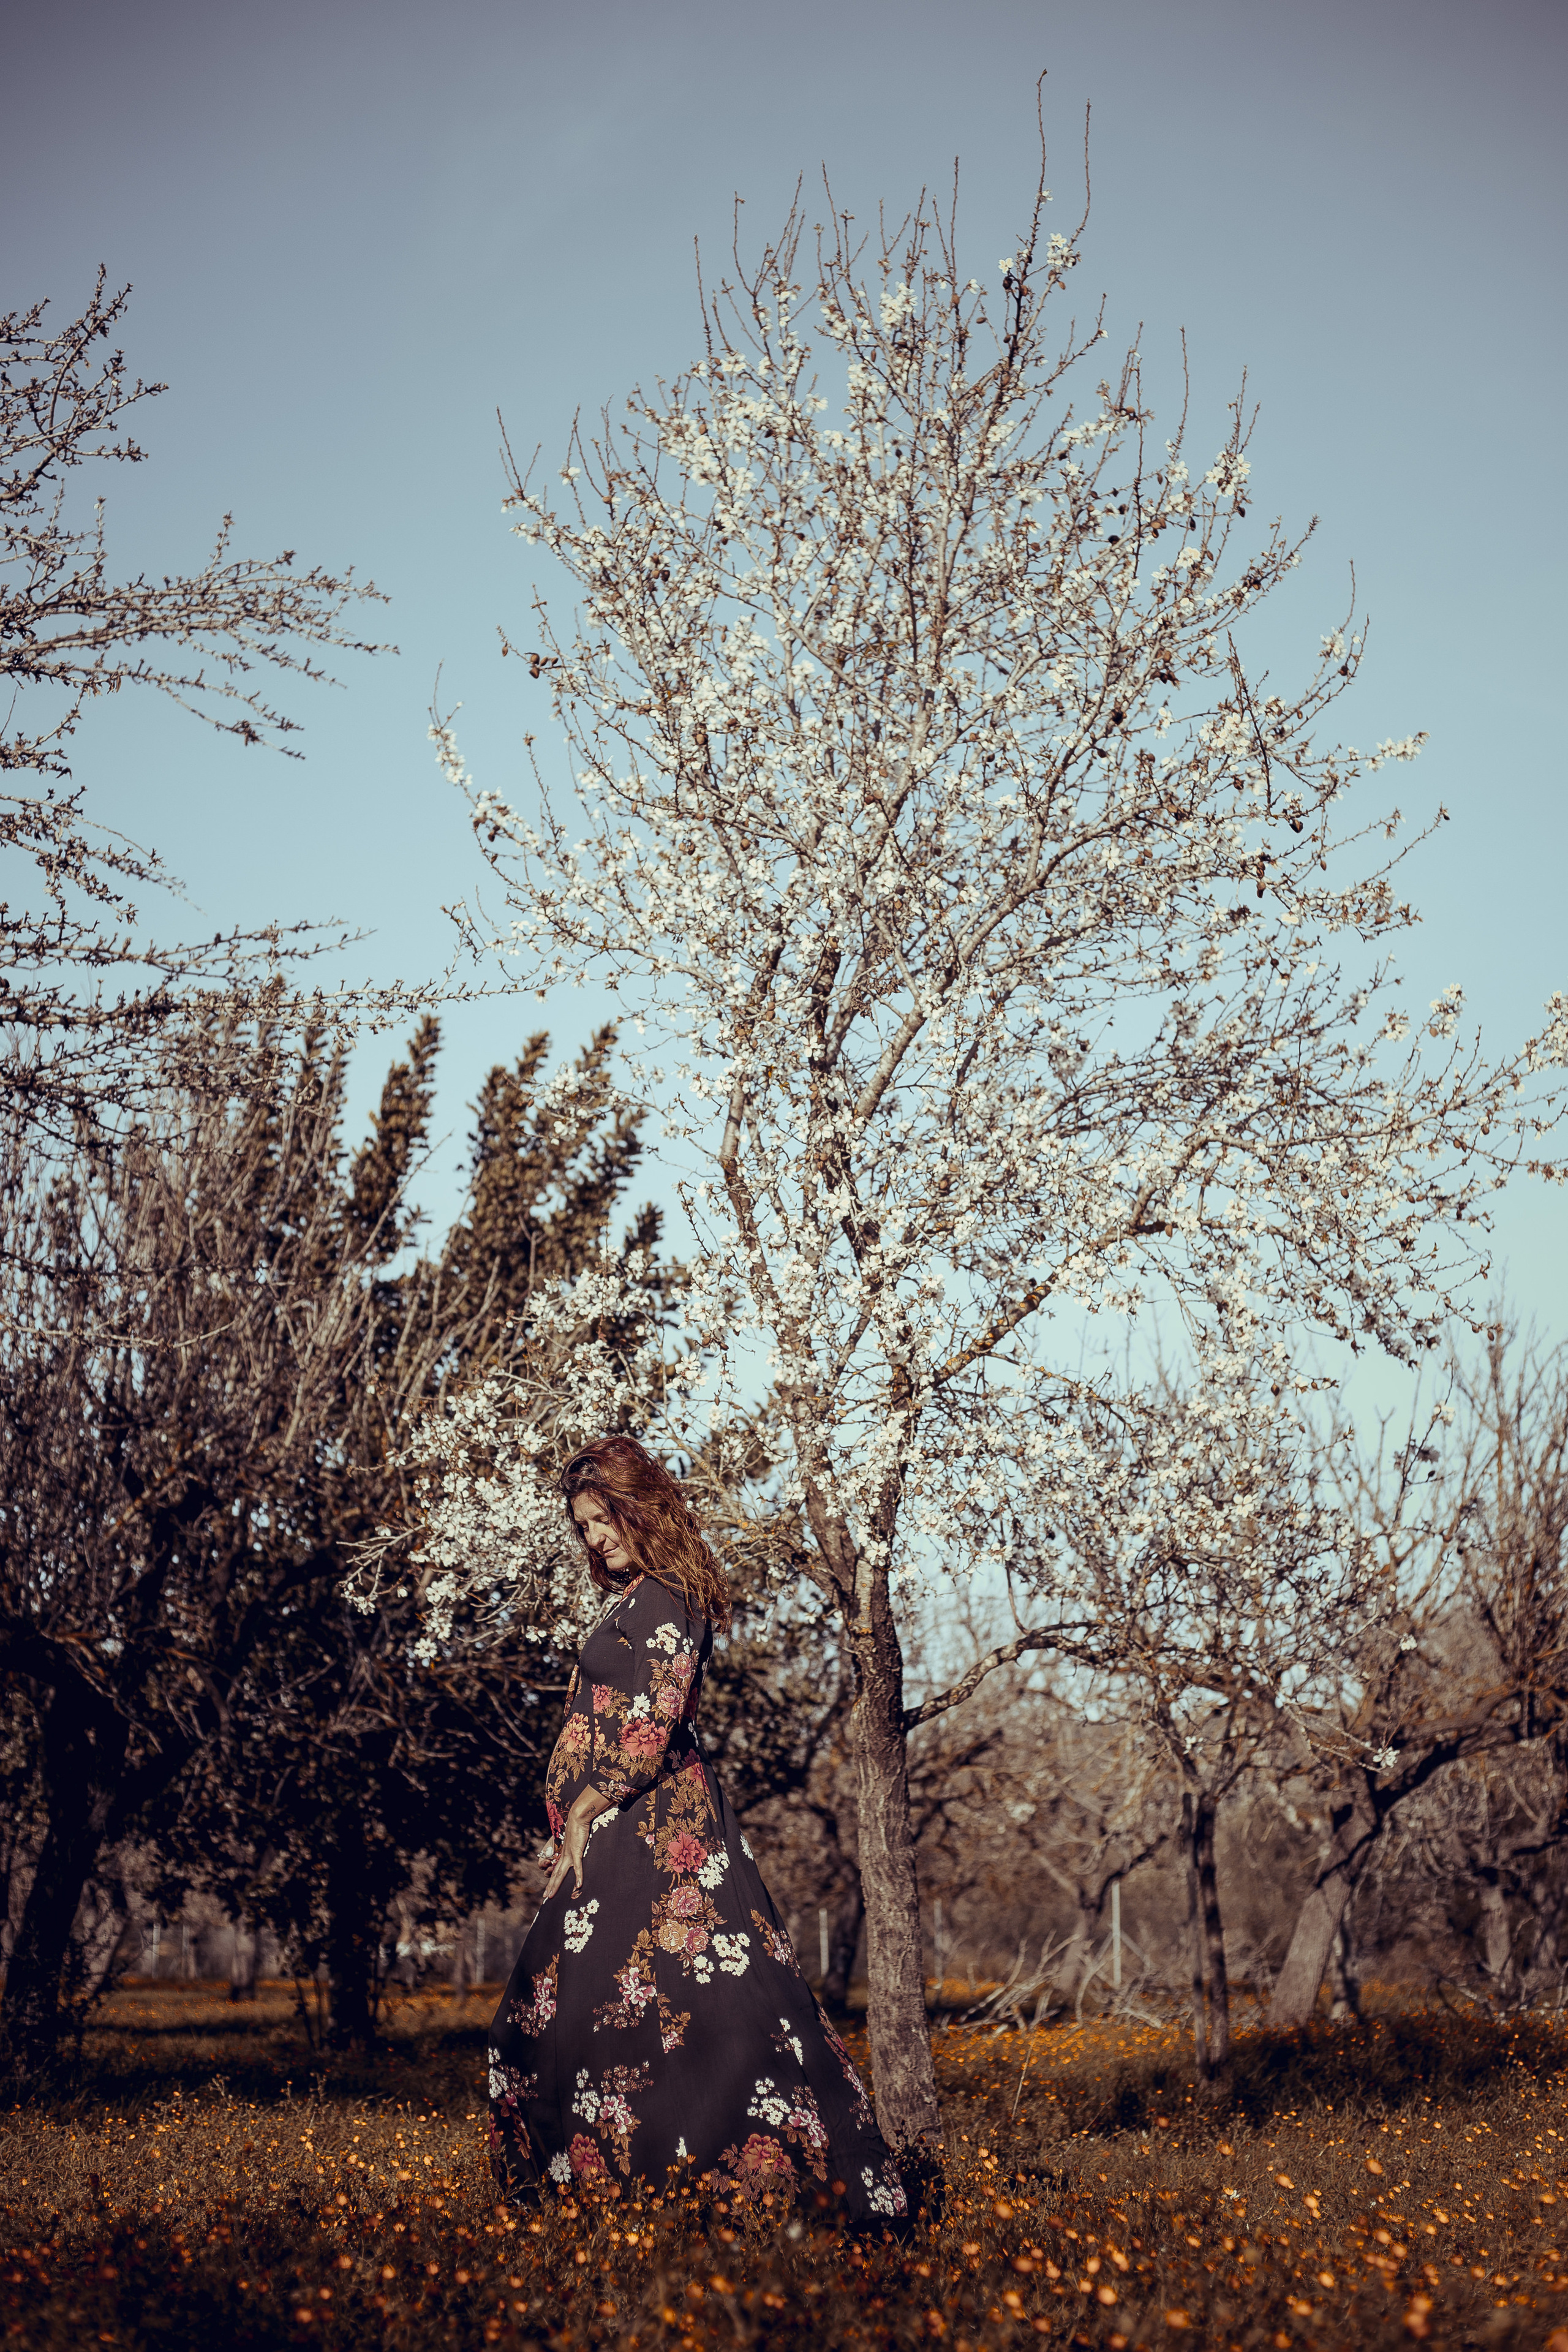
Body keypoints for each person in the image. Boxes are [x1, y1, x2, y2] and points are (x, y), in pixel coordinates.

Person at [487, 1433, 907, 2223]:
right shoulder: (630, 1600)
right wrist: (570, 1818)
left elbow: (654, 1723)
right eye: (583, 1527)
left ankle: (790, 2187)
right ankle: (622, 2191)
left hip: (653, 1827)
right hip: (611, 1830)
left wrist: (583, 1807)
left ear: (638, 1508)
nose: (595, 1538)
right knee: (597, 2008)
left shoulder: (671, 1596)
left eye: (603, 1520)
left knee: (699, 2005)